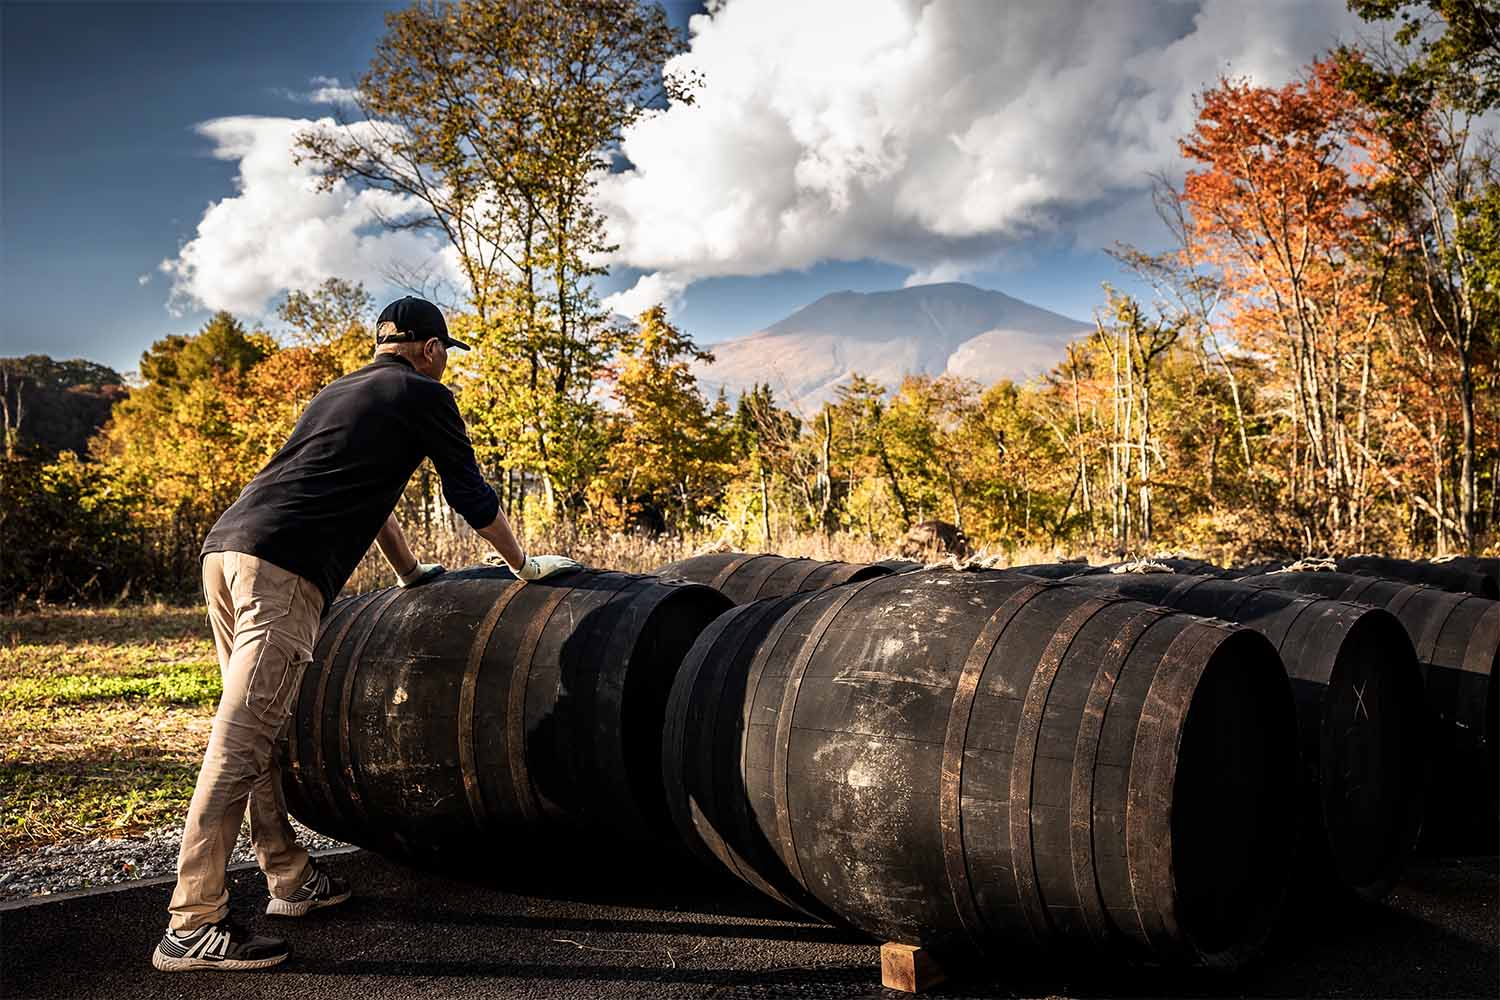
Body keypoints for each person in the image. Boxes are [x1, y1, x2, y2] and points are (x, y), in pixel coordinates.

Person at [152, 296, 578, 972]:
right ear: (432, 350)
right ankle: (192, 923)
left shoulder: (344, 392)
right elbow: (471, 494)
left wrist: (409, 572)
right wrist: (522, 565)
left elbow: (363, 495)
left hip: (226, 553)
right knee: (238, 742)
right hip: (283, 569)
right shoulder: (423, 394)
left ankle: (288, 877)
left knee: (253, 730)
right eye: (444, 353)